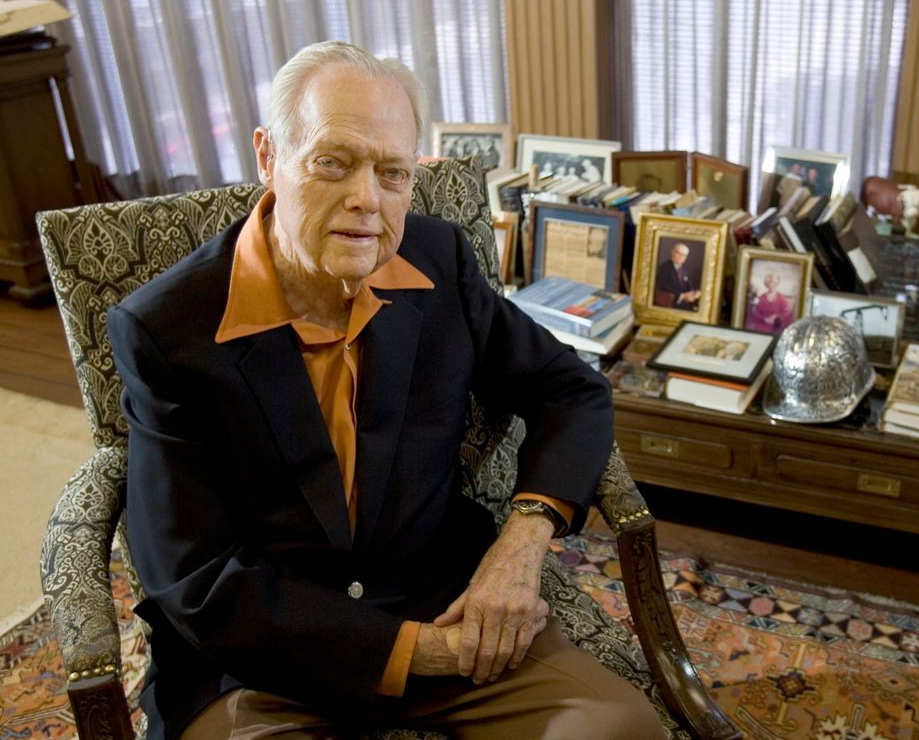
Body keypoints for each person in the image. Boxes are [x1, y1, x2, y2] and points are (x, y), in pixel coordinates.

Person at [108, 41, 660, 740]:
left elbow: (571, 391)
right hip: (267, 660)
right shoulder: (167, 328)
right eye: (332, 163)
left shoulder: (438, 263)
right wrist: (418, 653)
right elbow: (192, 577)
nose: (366, 199)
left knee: (620, 729)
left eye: (392, 173)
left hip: (445, 607)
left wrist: (521, 543)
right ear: (269, 156)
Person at [654, 242, 701, 310]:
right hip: (670, 304)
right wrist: (682, 296)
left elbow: (688, 286)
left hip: (683, 303)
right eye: (678, 253)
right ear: (673, 252)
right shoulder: (664, 267)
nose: (681, 257)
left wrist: (693, 293)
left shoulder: (683, 269)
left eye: (684, 255)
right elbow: (663, 286)